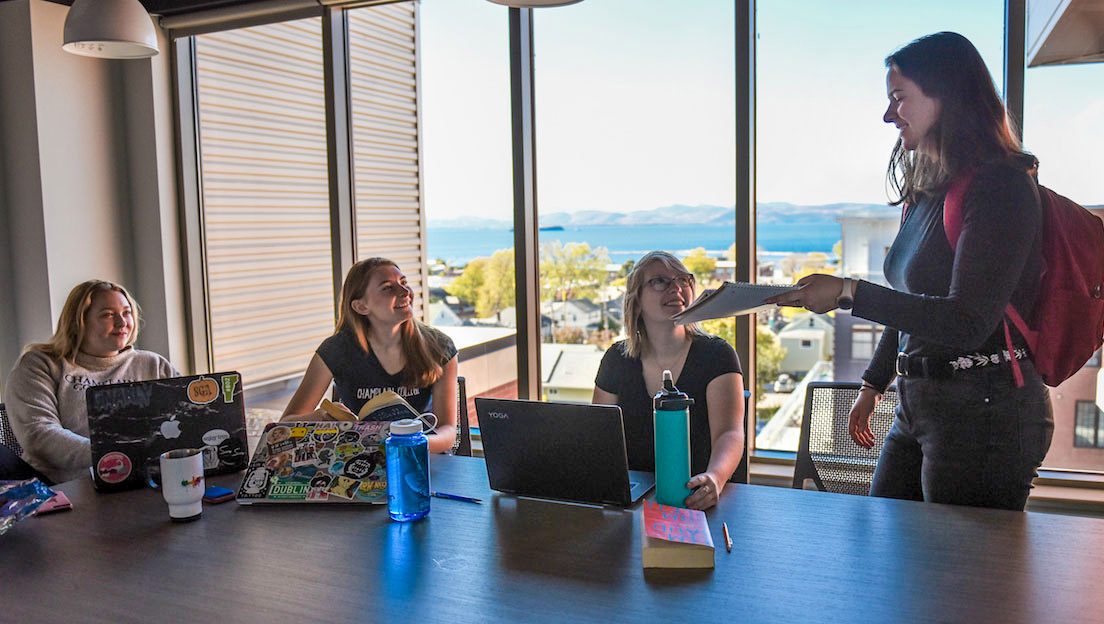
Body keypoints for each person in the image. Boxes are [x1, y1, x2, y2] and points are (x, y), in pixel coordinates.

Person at [767, 32, 1051, 511]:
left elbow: (967, 321)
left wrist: (847, 292)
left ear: (948, 96)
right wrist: (874, 384)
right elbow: (913, 304)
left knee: (955, 581)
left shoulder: (1001, 186)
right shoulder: (930, 190)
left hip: (985, 414)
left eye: (899, 99)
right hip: (918, 405)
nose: (887, 115)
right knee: (891, 555)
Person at [592, 251, 745, 510]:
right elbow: (598, 436)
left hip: (696, 499)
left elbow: (730, 433)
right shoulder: (616, 359)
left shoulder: (717, 355)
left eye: (683, 280)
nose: (676, 288)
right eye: (660, 281)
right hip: (630, 504)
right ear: (636, 300)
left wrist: (715, 479)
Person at [6, 280, 178, 484]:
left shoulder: (153, 364)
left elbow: (185, 417)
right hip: (65, 490)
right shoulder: (40, 365)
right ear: (78, 321)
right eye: (108, 314)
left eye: (126, 312)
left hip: (144, 480)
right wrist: (113, 456)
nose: (122, 323)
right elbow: (39, 434)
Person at [282, 257, 458, 454]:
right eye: (388, 288)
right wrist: (320, 417)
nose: (405, 292)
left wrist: (412, 443)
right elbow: (286, 424)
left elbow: (448, 431)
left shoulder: (439, 347)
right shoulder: (336, 350)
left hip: (423, 458)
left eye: (404, 283)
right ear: (361, 307)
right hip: (361, 461)